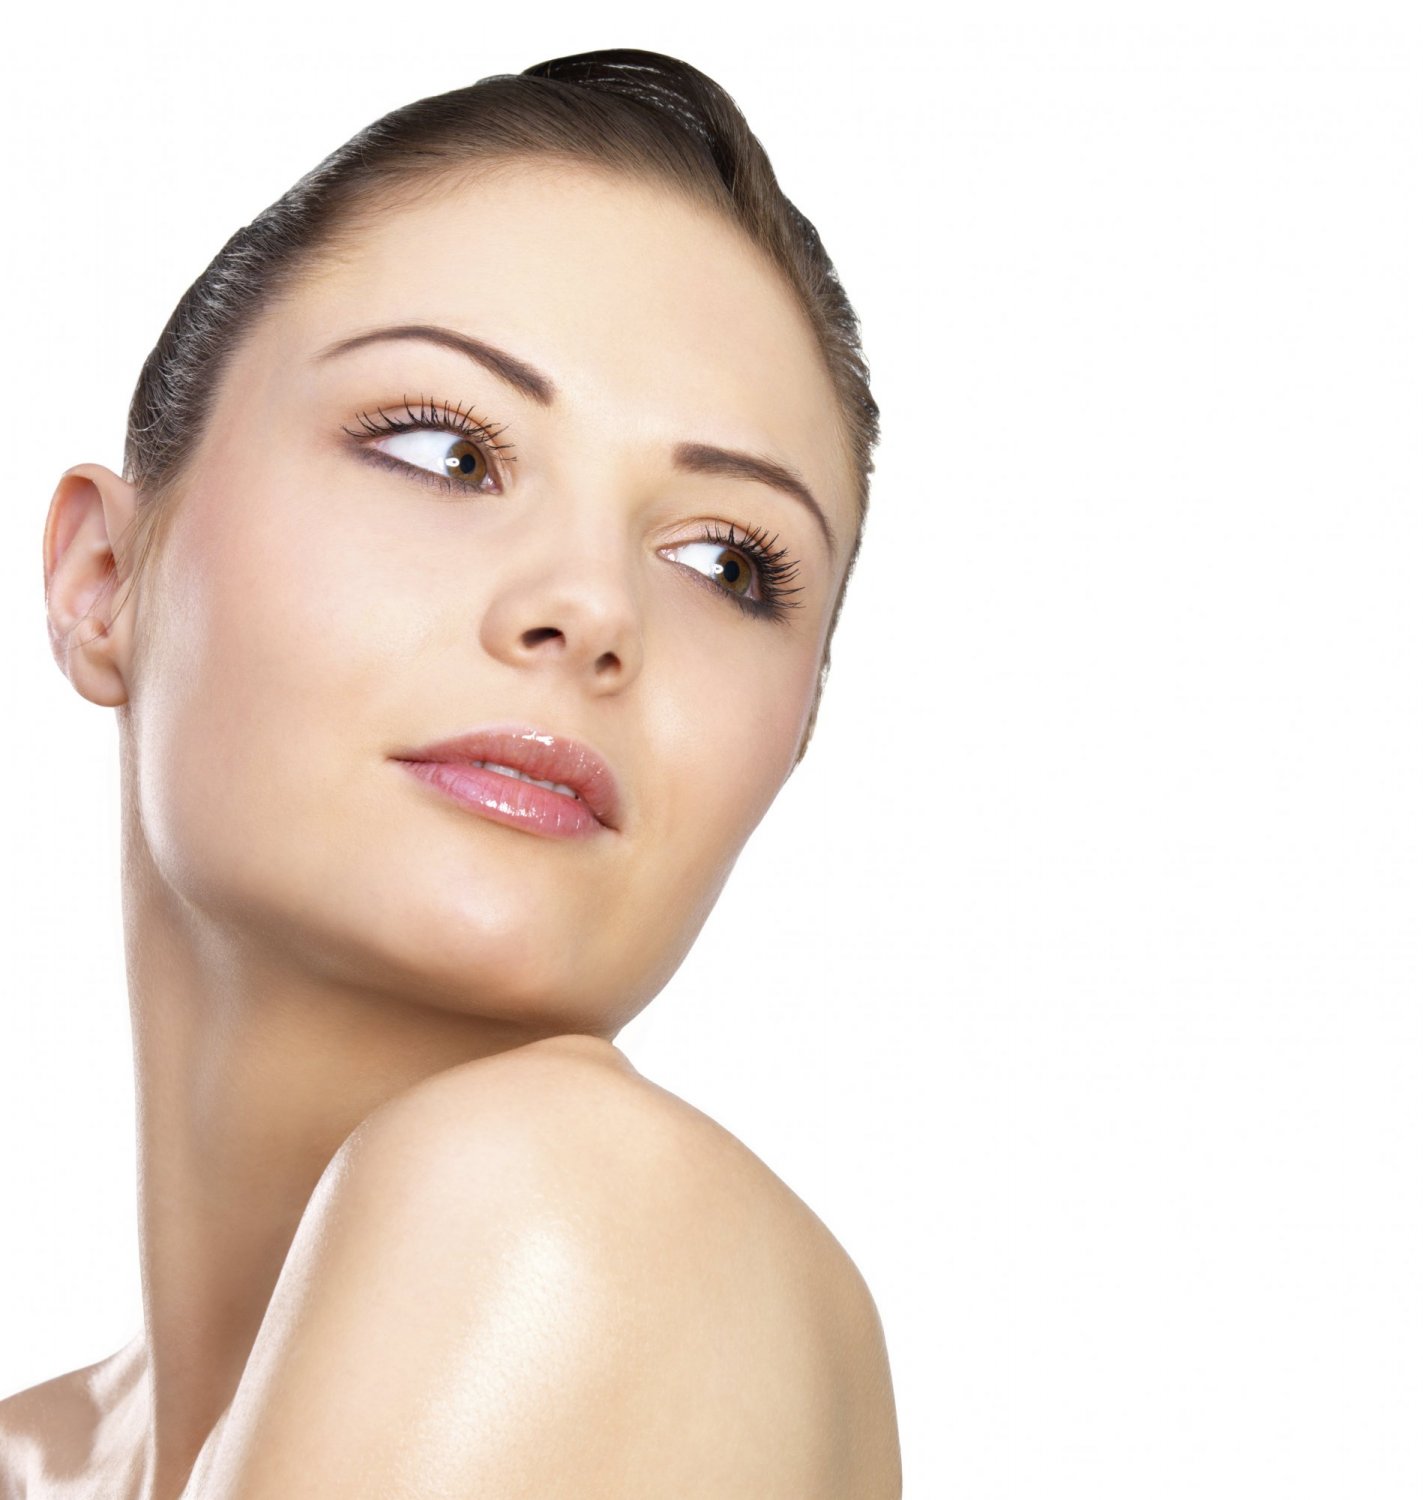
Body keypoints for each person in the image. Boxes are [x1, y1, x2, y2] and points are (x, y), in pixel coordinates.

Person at [0, 47, 900, 1499]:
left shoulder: (570, 1211)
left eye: (728, 563)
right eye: (444, 451)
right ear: (105, 579)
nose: (592, 608)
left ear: (794, 736)